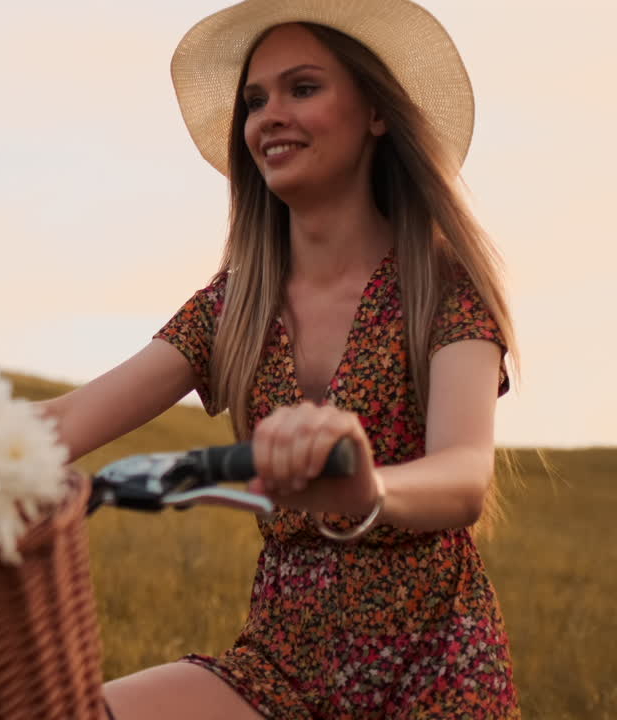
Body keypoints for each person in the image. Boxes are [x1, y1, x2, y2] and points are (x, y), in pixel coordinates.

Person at [33, 0, 521, 717]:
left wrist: (368, 490)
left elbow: (464, 474)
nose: (269, 117)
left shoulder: (441, 287)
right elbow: (65, 421)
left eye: (303, 88)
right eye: (255, 101)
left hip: (436, 673)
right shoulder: (233, 304)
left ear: (375, 112)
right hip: (281, 667)